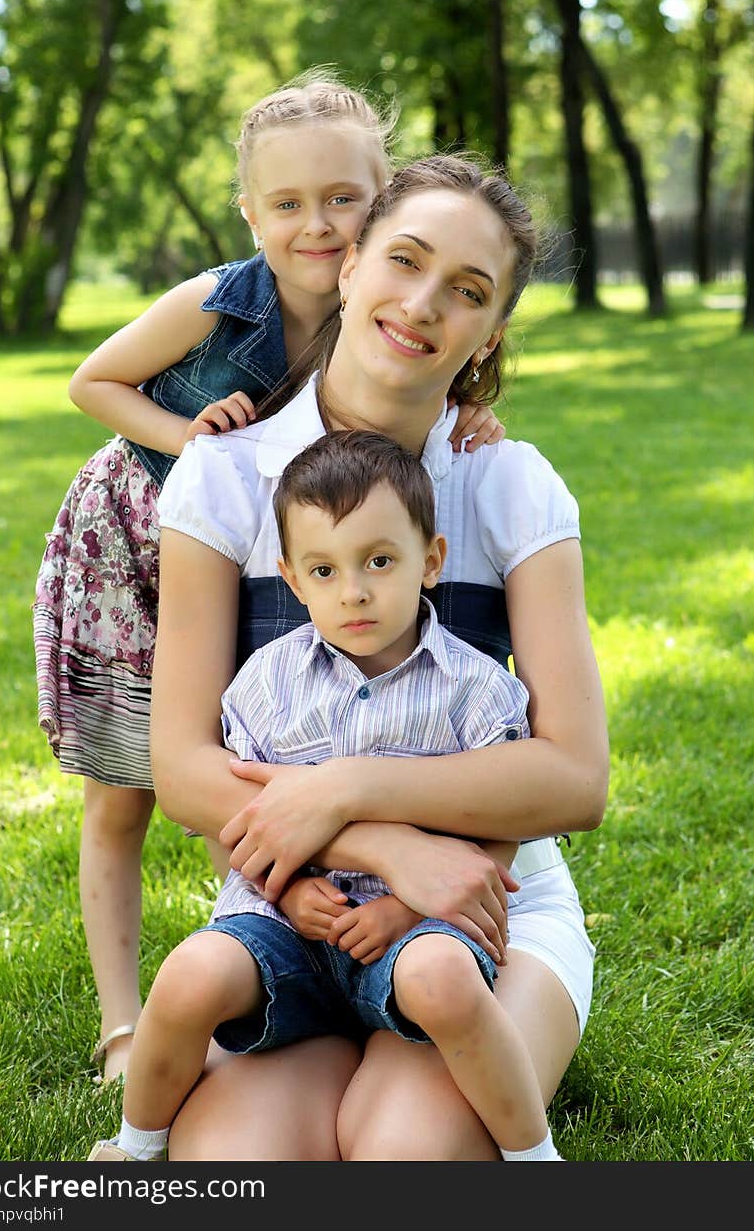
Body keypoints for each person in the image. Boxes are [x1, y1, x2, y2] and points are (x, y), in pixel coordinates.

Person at [31, 74, 503, 1085]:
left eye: (343, 198)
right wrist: (187, 435)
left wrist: (476, 413)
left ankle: (270, 943)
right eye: (286, 203)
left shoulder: (382, 305)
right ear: (251, 212)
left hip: (278, 551)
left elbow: (436, 373)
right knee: (129, 793)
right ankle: (124, 1024)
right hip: (139, 538)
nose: (318, 224)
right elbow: (91, 381)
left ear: (383, 199)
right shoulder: (216, 298)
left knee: (260, 738)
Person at [151, 152, 610, 1161]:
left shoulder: (511, 488)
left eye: (469, 291)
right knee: (241, 1172)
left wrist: (349, 785)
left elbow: (574, 777)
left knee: (406, 1158)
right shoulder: (222, 479)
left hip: (482, 909)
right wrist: (378, 842)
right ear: (349, 264)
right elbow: (183, 769)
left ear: (488, 335)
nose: (423, 303)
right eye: (403, 260)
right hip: (289, 907)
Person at [89, 430, 563, 1163]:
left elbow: (501, 828)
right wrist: (282, 892)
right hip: (287, 921)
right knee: (188, 974)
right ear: (292, 577)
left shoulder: (475, 688)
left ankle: (536, 1158)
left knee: (441, 977)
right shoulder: (264, 687)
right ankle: (132, 1148)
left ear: (431, 560)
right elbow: (232, 814)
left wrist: (410, 907)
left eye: (379, 561)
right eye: (324, 569)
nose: (356, 591)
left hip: (415, 928)